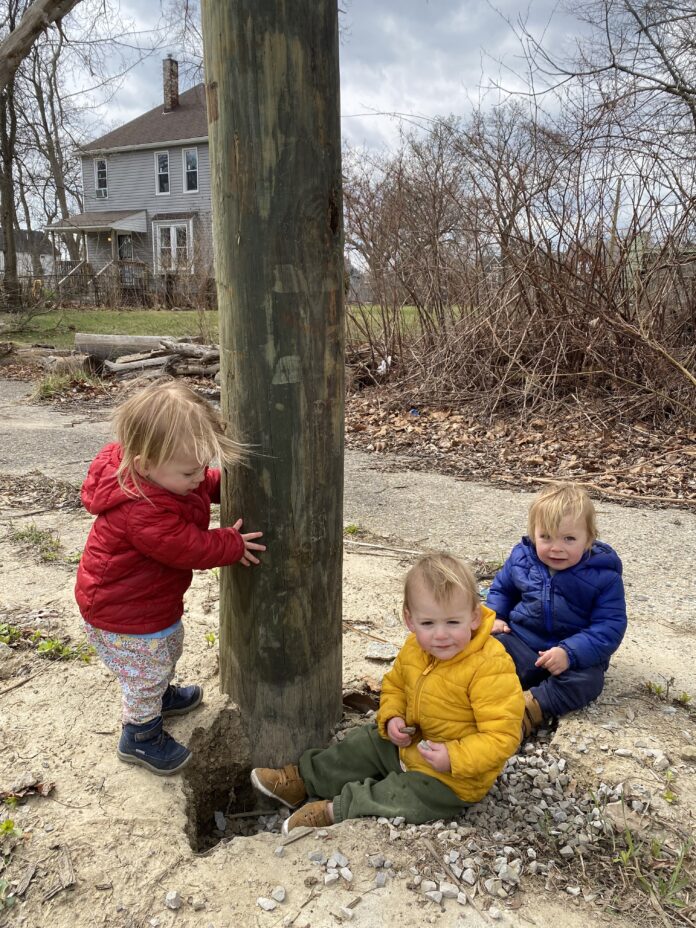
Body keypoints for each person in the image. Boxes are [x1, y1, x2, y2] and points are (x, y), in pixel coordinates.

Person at [250, 552, 524, 834]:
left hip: (451, 779)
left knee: (401, 796)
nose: (441, 635)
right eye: (428, 624)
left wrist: (454, 757)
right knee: (366, 741)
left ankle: (336, 810)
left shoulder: (489, 665)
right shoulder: (415, 648)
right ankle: (304, 780)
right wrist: (393, 717)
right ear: (410, 619)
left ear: (474, 617)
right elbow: (395, 686)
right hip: (407, 747)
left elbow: (503, 735)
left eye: (453, 622)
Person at [75, 380, 265, 775]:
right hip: (122, 613)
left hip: (146, 601)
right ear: (145, 464)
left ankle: (160, 696)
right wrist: (230, 544)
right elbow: (188, 547)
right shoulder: (140, 509)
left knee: (166, 650)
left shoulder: (163, 476)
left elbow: (196, 486)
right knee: (145, 673)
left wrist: (220, 484)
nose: (199, 477)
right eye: (190, 471)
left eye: (202, 468)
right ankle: (140, 735)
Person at [487, 482, 627, 738]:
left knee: (588, 681)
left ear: (589, 539)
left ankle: (529, 709)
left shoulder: (603, 575)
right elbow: (502, 590)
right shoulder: (522, 559)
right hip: (522, 644)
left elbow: (609, 626)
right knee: (486, 647)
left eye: (569, 539)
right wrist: (496, 617)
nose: (556, 547)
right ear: (533, 534)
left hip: (570, 659)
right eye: (546, 537)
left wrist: (570, 652)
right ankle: (479, 697)